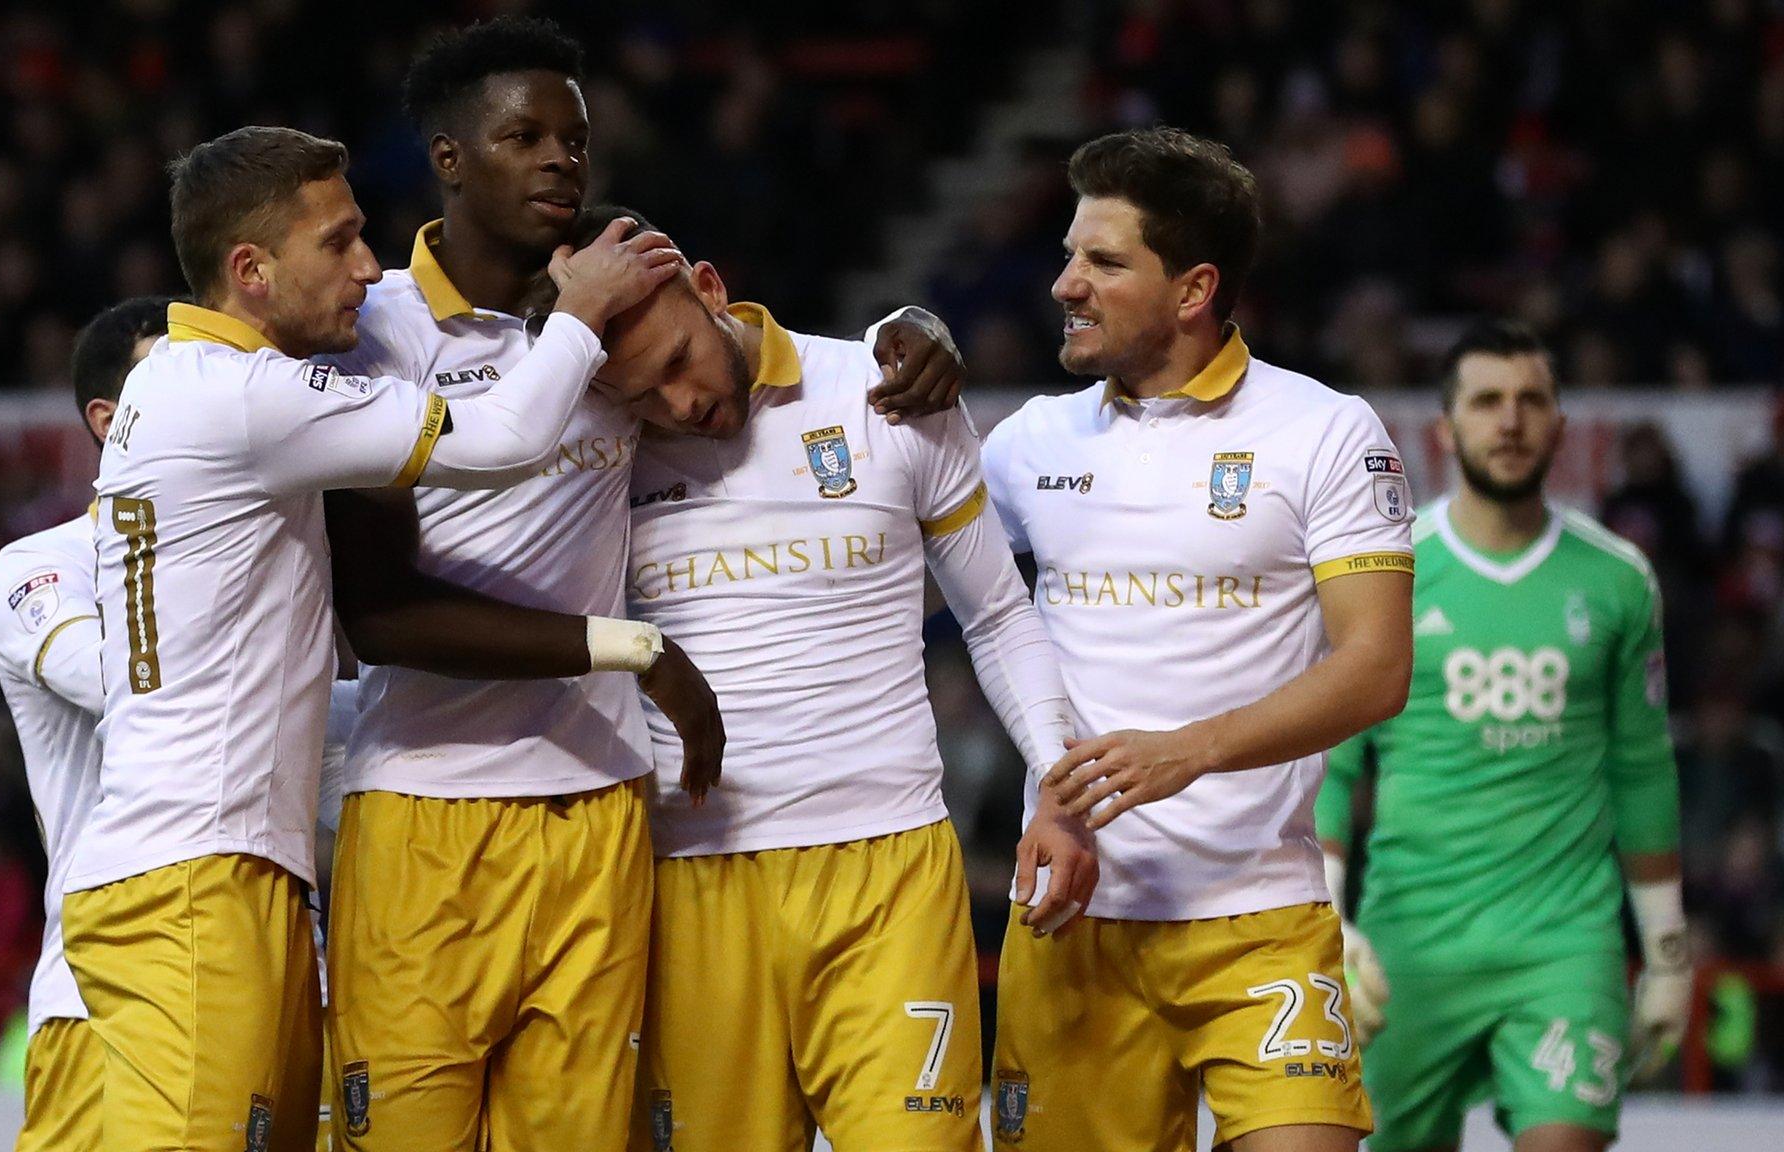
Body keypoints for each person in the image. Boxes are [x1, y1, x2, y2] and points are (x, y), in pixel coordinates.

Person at [318, 19, 962, 1152]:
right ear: (450, 158)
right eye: (524, 136)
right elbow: (374, 614)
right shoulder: (372, 333)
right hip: (424, 810)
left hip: (604, 817)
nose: (560, 159)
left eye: (573, 136)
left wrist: (911, 328)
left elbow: (744, 351)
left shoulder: (618, 311)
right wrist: (634, 651)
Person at [66, 123, 681, 1151]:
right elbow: (504, 440)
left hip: (215, 866)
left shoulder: (180, 387)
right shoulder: (246, 397)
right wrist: (576, 314)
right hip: (190, 886)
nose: (367, 266)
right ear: (250, 270)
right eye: (339, 242)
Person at [522, 203, 1083, 1152]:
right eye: (640, 395)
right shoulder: (595, 446)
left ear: (708, 287)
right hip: (685, 879)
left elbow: (995, 613)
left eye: (675, 364)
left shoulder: (888, 390)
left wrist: (1057, 788)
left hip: (889, 869)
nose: (677, 406)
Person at [981, 127, 1415, 1152]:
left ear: (1191, 290)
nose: (1064, 285)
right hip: (1070, 917)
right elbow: (922, 607)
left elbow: (1374, 667)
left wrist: (1188, 750)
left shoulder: (1322, 431)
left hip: (1257, 913)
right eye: (1066, 255)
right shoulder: (1024, 445)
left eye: (1102, 261)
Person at [1318, 321, 1689, 1152]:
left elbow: (1643, 773)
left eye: (1531, 401)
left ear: (1561, 424)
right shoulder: (1388, 574)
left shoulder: (1619, 578)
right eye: (1487, 401)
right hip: (1406, 949)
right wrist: (1330, 926)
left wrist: (1667, 954)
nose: (1510, 421)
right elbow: (1333, 766)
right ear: (1447, 430)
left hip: (1564, 947)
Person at [0, 294, 167, 1152]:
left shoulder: (284, 557)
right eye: (169, 376)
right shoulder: (40, 565)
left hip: (288, 973)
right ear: (107, 418)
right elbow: (113, 680)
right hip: (101, 993)